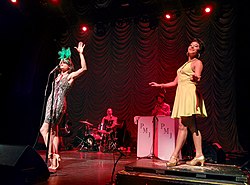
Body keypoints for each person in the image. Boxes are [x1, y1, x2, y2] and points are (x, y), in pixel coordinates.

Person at [149, 38, 207, 167]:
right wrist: (160, 85)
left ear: (199, 51)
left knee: (183, 126)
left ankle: (174, 156)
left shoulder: (197, 62)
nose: (191, 47)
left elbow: (198, 77)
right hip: (182, 95)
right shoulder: (184, 65)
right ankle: (199, 155)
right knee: (192, 126)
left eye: (196, 46)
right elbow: (175, 83)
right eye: (191, 45)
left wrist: (196, 77)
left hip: (189, 94)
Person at [40, 42, 87, 170]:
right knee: (53, 132)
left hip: (58, 104)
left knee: (44, 130)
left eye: (64, 62)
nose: (61, 63)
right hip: (51, 102)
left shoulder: (69, 76)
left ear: (69, 65)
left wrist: (81, 54)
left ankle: (51, 155)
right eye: (60, 62)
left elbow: (83, 69)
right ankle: (54, 161)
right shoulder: (56, 75)